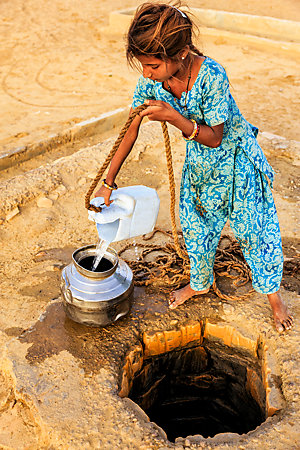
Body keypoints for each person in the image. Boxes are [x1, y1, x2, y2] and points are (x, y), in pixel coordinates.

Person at [94, 2, 293, 333]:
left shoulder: (212, 76)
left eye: (153, 65)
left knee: (256, 232)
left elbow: (215, 137)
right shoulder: (151, 84)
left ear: (182, 52)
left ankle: (274, 298)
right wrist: (108, 182)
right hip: (201, 165)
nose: (146, 73)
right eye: (142, 65)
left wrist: (173, 117)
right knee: (197, 227)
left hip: (236, 161)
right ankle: (200, 283)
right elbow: (130, 128)